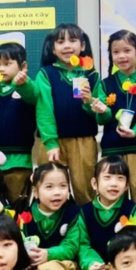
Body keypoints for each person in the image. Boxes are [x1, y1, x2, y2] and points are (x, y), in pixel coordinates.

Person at [50, 155, 136, 270]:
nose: (114, 183)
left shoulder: (133, 210)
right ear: (95, 183)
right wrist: (92, 264)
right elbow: (83, 245)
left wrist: (117, 266)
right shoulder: (84, 212)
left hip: (123, 267)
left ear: (127, 185)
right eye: (107, 177)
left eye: (120, 179)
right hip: (94, 266)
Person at [91, 29, 136, 202]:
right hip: (113, 149)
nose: (122, 56)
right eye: (116, 52)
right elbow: (102, 119)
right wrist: (103, 111)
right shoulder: (105, 84)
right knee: (112, 196)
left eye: (127, 50)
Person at [36, 24, 101, 206]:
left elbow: (97, 113)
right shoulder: (46, 73)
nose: (67, 46)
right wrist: (50, 142)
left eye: (72, 40)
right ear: (53, 49)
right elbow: (44, 110)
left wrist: (89, 101)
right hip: (52, 142)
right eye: (60, 42)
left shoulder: (91, 74)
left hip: (84, 141)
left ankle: (85, 224)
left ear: (82, 45)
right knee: (50, 191)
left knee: (85, 190)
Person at [15, 163, 82, 270]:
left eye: (63, 186)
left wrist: (48, 254)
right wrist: (26, 259)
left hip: (65, 267)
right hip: (33, 269)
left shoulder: (74, 213)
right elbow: (18, 244)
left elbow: (72, 247)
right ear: (36, 192)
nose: (57, 192)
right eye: (49, 187)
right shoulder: (24, 216)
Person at [0, 42, 38, 204]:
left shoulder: (26, 87)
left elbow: (31, 95)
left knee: (17, 205)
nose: (1, 69)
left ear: (23, 66)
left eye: (7, 64)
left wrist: (22, 83)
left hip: (18, 160)